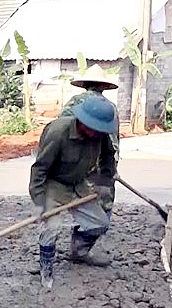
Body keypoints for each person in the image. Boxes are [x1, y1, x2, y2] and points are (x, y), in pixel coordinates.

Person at [29, 96, 118, 289]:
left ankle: (79, 251)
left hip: (79, 183)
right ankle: (46, 267)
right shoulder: (58, 132)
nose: (97, 135)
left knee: (100, 223)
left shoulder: (100, 134)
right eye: (94, 130)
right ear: (83, 122)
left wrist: (104, 181)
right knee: (51, 227)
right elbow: (40, 169)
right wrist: (39, 202)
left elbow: (108, 157)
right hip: (55, 183)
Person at [60, 65, 120, 218]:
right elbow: (113, 143)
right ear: (104, 86)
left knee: (79, 191)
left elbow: (62, 129)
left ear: (85, 84)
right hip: (99, 159)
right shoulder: (109, 107)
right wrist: (113, 169)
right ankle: (101, 219)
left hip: (74, 158)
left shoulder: (72, 103)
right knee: (103, 195)